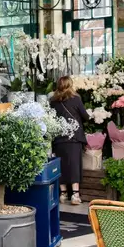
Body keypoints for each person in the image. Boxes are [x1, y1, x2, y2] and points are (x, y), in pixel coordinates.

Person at [50, 76, 89, 206]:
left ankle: (63, 194)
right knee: (74, 165)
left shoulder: (53, 101)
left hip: (59, 137)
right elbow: (85, 116)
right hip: (74, 137)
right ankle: (75, 195)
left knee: (61, 165)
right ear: (70, 85)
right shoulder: (76, 99)